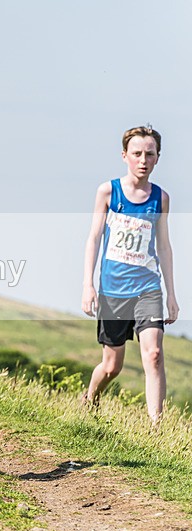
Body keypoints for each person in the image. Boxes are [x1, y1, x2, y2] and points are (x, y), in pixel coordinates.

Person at [81, 125, 179, 423]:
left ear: (158, 158)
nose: (143, 160)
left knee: (154, 355)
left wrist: (171, 295)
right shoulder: (108, 191)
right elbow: (94, 237)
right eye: (137, 153)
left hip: (148, 289)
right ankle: (90, 399)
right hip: (112, 290)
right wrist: (88, 285)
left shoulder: (160, 198)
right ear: (124, 155)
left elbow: (164, 246)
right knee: (111, 367)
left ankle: (156, 429)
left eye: (150, 154)